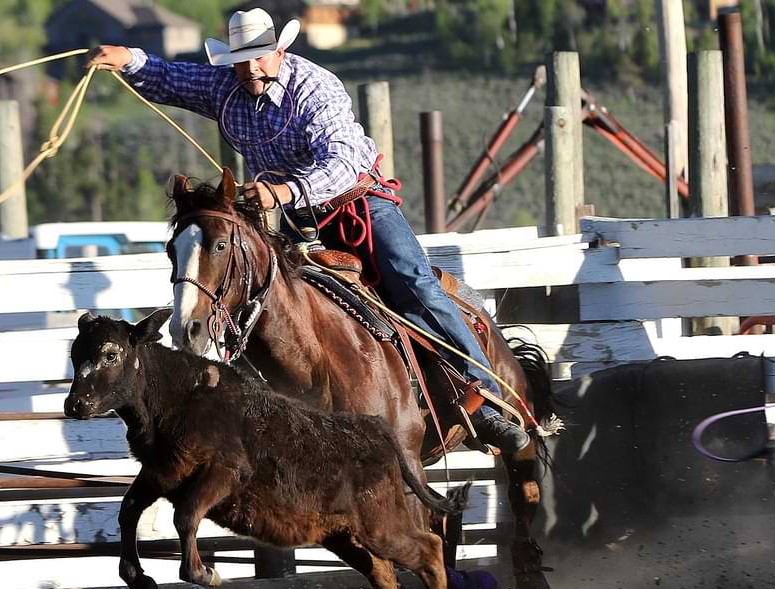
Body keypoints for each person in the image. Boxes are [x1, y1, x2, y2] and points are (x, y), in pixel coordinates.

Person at [86, 8, 529, 455]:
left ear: (279, 51)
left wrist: (283, 191)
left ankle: (485, 398)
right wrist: (128, 59)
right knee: (264, 301)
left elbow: (341, 163)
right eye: (242, 59)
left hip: (360, 206)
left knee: (414, 285)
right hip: (301, 222)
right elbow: (175, 80)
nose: (251, 67)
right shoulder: (229, 87)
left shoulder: (314, 88)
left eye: (260, 56)